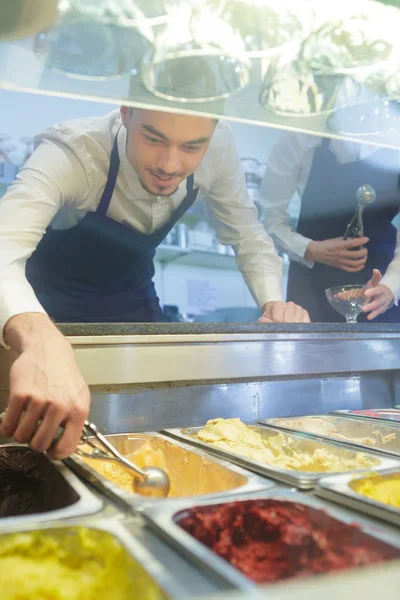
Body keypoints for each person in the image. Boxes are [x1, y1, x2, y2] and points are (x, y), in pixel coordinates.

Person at [0, 107, 309, 458]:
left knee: (147, 436)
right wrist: (41, 342)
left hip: (134, 305)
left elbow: (248, 235)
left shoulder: (219, 147)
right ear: (127, 113)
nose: (169, 165)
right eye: (153, 138)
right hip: (42, 309)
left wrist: (274, 303)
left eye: (192, 147)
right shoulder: (74, 151)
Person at [261, 132, 400, 323]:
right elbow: (270, 219)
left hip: (380, 285)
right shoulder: (300, 137)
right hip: (312, 283)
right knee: (310, 351)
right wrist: (309, 249)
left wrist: (391, 286)